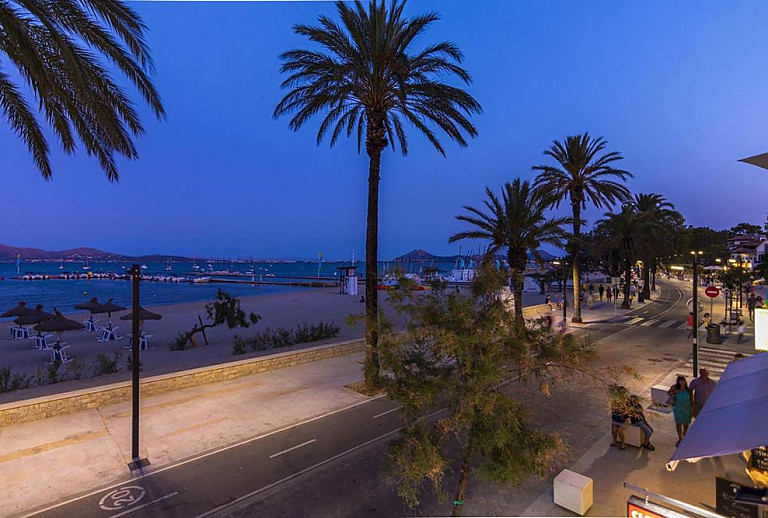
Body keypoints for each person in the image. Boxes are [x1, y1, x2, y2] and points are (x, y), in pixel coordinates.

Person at [667, 375, 693, 446]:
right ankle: (680, 438)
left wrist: (692, 409)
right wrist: (675, 392)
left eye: (683, 380)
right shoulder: (675, 388)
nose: (682, 382)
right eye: (680, 381)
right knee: (678, 424)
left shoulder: (688, 390)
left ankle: (685, 433)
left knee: (686, 424)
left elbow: (691, 400)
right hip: (678, 409)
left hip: (687, 409)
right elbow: (668, 393)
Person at [609, 386, 629, 450]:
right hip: (616, 418)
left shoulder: (626, 401)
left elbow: (628, 410)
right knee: (613, 430)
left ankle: (623, 443)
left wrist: (622, 411)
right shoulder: (614, 400)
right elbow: (612, 409)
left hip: (624, 419)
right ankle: (615, 440)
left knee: (620, 431)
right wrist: (615, 410)